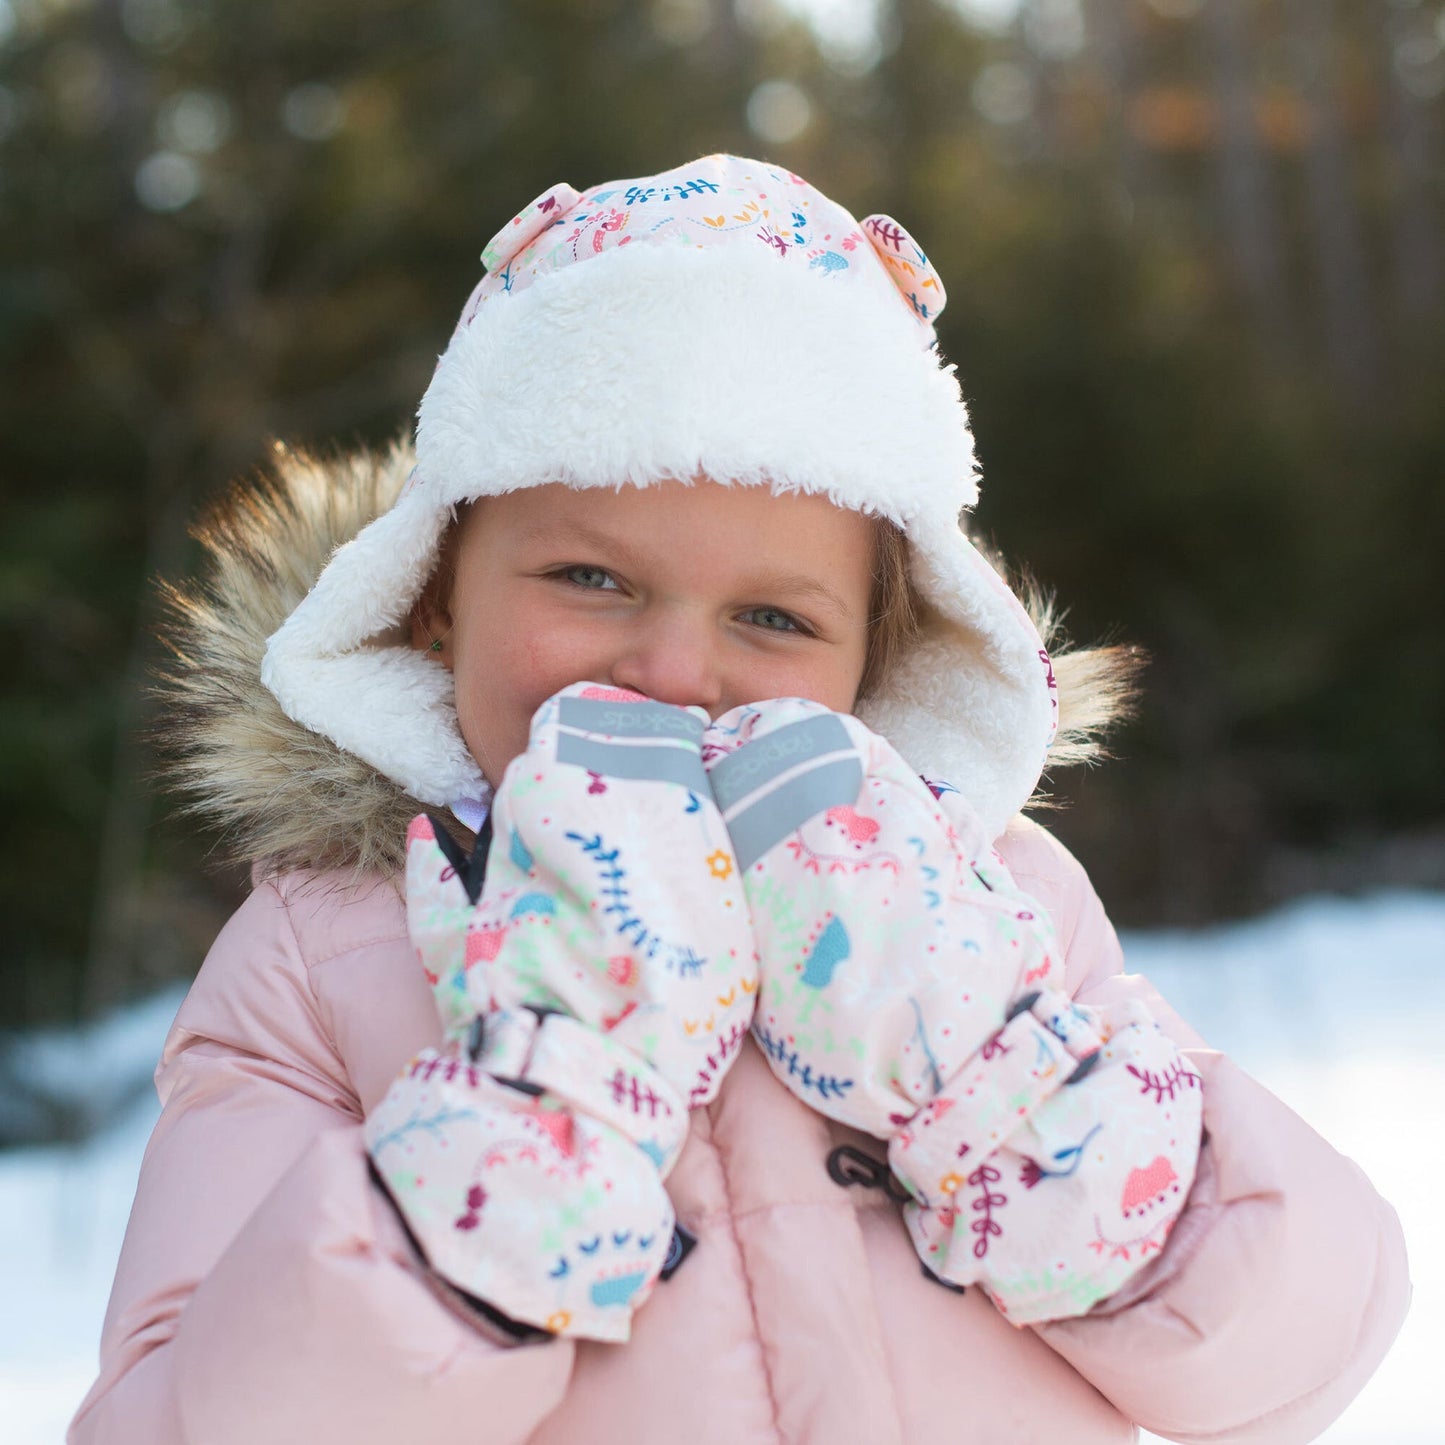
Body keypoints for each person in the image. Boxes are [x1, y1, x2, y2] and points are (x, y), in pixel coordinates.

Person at [71, 154, 1408, 1444]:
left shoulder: (993, 899)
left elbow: (1289, 1356)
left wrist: (993, 1070)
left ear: (875, 662)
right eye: (591, 579)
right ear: (431, 599)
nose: (671, 669)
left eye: (769, 614)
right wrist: (543, 1103)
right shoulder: (325, 955)